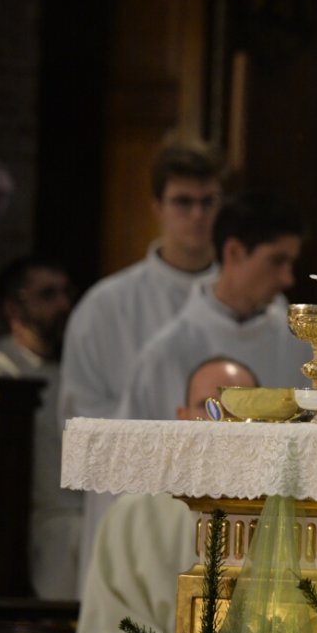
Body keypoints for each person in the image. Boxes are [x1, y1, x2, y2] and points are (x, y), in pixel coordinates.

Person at [59, 139, 225, 595]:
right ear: (157, 207)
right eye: (183, 202)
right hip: (128, 513)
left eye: (208, 202)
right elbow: (77, 430)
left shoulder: (253, 308)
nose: (197, 215)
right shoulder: (104, 307)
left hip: (221, 520)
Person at [73, 357, 258, 633]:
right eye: (207, 405)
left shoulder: (286, 517)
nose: (221, 419)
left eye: (237, 405)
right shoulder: (133, 516)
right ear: (182, 418)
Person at [117, 191, 314, 421]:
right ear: (234, 252)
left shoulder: (298, 343)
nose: (287, 279)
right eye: (277, 261)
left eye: (291, 263)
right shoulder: (164, 354)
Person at [0, 254, 78, 599]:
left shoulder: (71, 374)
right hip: (29, 528)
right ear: (13, 309)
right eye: (48, 295)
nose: (63, 304)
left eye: (66, 293)